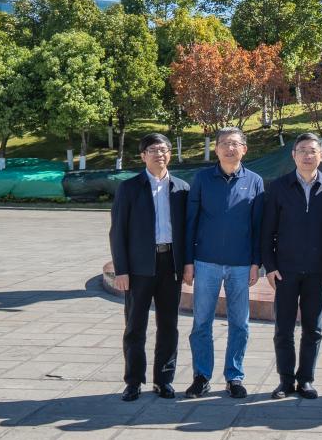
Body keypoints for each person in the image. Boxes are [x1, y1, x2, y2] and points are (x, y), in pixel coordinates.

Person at [184, 127, 264, 399]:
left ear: (244, 149)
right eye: (224, 144)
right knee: (201, 322)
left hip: (241, 265)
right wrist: (188, 261)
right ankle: (201, 376)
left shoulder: (254, 181)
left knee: (240, 323)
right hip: (206, 263)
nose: (230, 148)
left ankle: (234, 376)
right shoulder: (202, 179)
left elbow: (259, 226)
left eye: (235, 144)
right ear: (216, 149)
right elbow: (191, 221)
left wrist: (256, 263)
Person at [109, 133, 189, 401]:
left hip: (170, 265)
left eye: (164, 149)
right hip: (139, 266)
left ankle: (164, 380)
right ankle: (133, 381)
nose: (159, 154)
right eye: (153, 150)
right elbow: (118, 231)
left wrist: (187, 264)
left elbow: (188, 231)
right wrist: (121, 269)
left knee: (169, 325)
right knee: (135, 326)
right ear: (143, 156)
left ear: (170, 154)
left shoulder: (181, 188)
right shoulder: (130, 188)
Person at [260, 132, 322, 400]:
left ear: (321, 156)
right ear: (293, 155)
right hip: (285, 270)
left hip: (317, 270)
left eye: (312, 151)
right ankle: (285, 380)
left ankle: (305, 380)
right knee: (284, 329)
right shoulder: (279, 187)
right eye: (302, 150)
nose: (307, 155)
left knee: (313, 329)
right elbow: (267, 230)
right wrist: (270, 266)